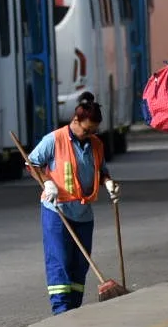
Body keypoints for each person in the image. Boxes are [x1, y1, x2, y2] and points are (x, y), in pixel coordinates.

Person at [27, 99, 120, 314]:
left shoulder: (96, 144)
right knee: (59, 261)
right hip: (57, 211)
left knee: (80, 265)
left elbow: (101, 170)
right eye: (87, 130)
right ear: (75, 120)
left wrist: (108, 183)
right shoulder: (54, 139)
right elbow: (31, 163)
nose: (89, 134)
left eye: (94, 131)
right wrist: (47, 182)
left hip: (84, 213)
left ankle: (74, 308)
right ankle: (61, 311)